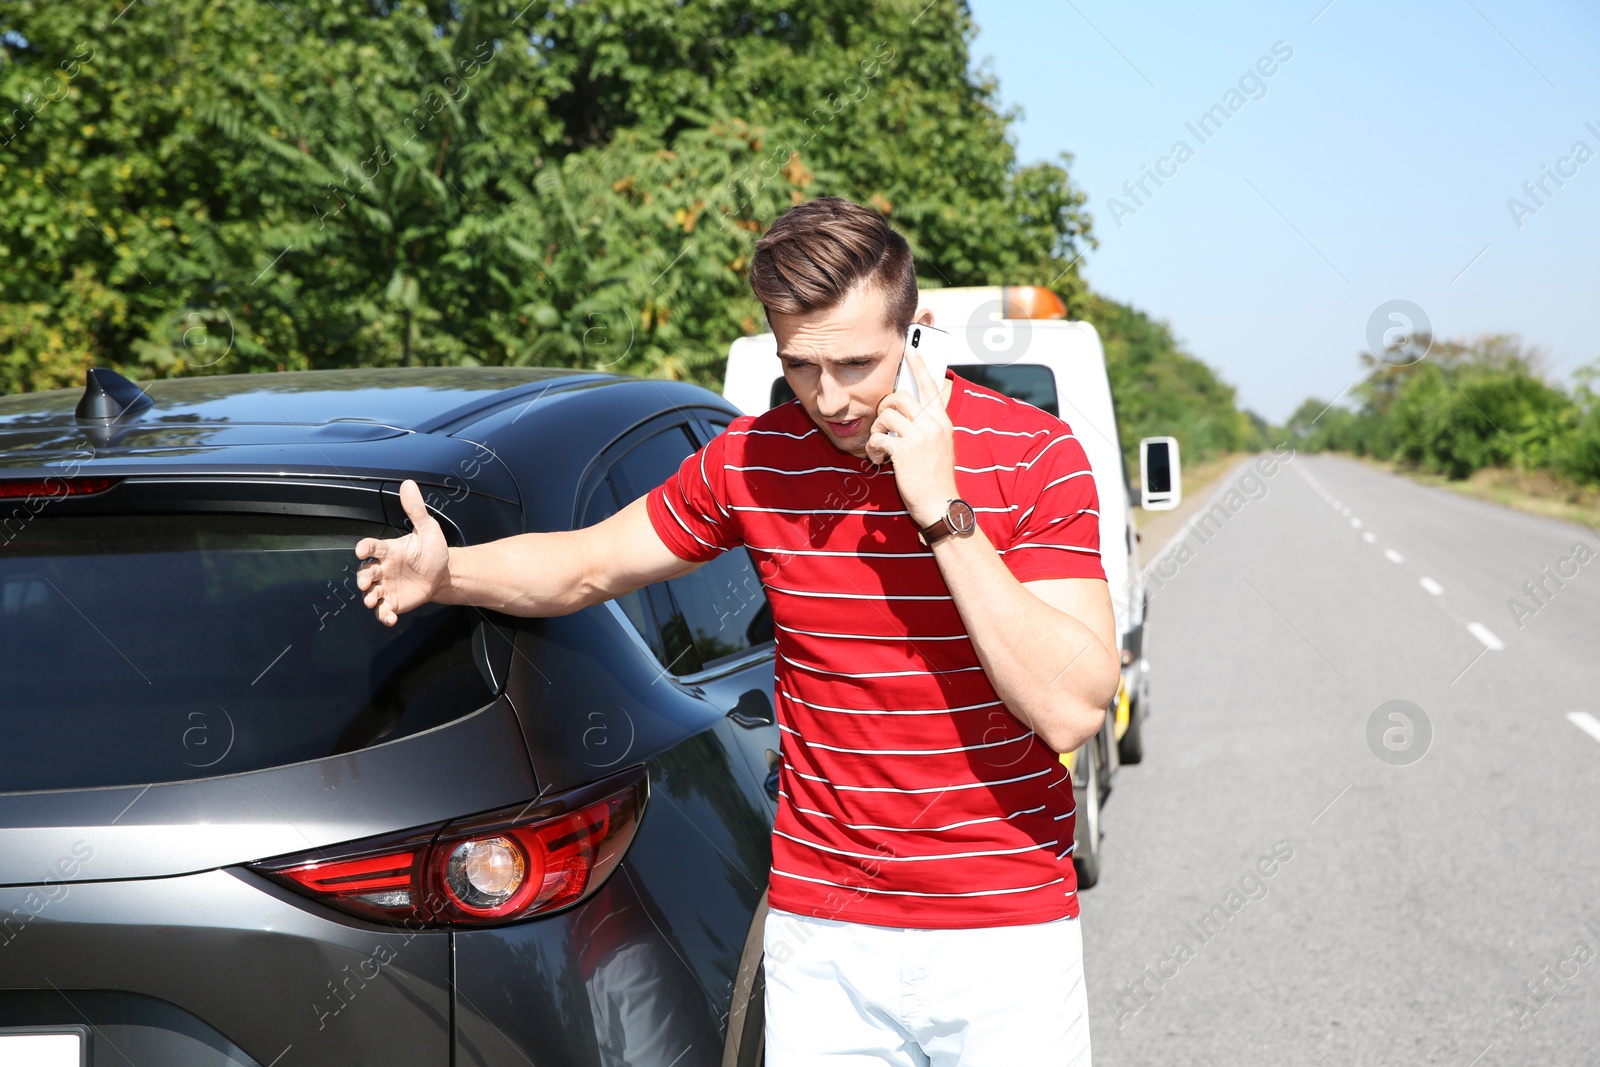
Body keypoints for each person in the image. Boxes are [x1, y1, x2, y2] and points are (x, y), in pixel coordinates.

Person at [355, 195, 1118, 1065]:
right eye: (800, 365)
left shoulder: (1033, 452)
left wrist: (941, 511)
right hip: (822, 936)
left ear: (910, 332)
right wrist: (449, 571)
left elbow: (1071, 706)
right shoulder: (752, 458)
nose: (829, 399)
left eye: (857, 363)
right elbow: (589, 565)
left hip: (1000, 931)